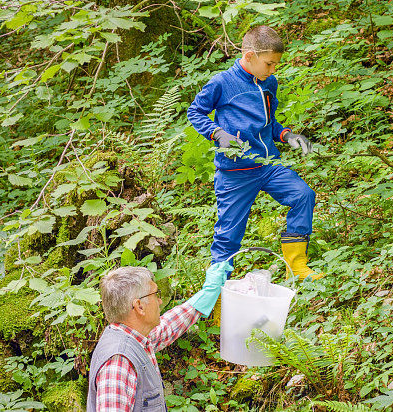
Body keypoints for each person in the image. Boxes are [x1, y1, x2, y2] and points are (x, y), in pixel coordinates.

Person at [187, 25, 321, 280]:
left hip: (268, 165)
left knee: (303, 195)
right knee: (228, 237)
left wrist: (287, 135)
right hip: (234, 173)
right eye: (269, 64)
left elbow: (269, 124)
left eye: (275, 65)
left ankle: (297, 267)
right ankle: (217, 297)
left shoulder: (269, 82)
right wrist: (218, 134)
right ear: (249, 56)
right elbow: (195, 112)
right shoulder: (222, 82)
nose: (273, 70)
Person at [87, 261, 232, 411]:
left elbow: (168, 327)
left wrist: (207, 293)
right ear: (139, 306)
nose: (160, 300)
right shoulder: (119, 363)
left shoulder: (133, 337)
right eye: (156, 294)